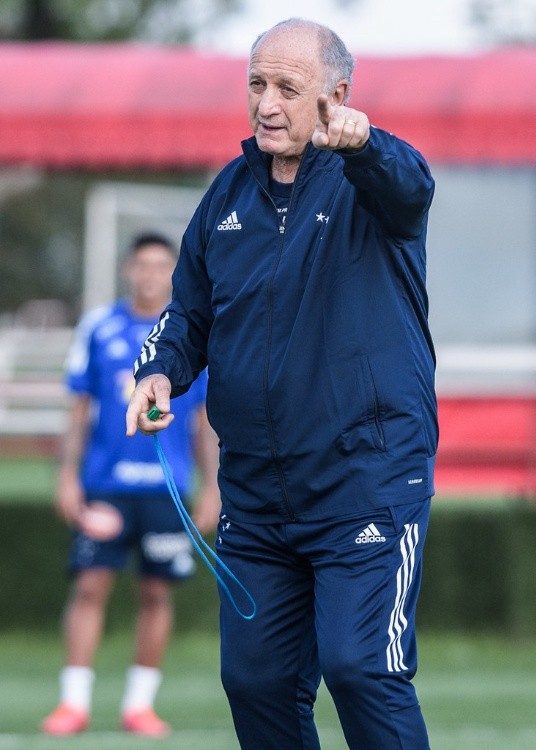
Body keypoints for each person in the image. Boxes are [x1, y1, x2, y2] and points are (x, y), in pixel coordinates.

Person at [127, 18, 437, 749]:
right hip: (258, 496)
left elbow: (412, 186)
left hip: (364, 483)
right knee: (256, 683)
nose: (266, 104)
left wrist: (364, 143)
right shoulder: (227, 195)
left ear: (337, 95)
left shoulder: (373, 179)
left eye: (288, 89)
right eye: (257, 85)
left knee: (361, 668)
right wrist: (159, 371)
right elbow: (189, 312)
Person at [41, 232, 221, 738]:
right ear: (128, 269)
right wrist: (66, 477)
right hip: (106, 486)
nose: (150, 275)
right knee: (89, 586)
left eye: (161, 266)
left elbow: (203, 420)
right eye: (142, 265)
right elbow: (79, 410)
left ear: (173, 273)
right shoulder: (100, 328)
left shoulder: (188, 334)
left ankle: (139, 706)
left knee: (157, 593)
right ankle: (73, 704)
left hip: (166, 488)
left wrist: (212, 486)